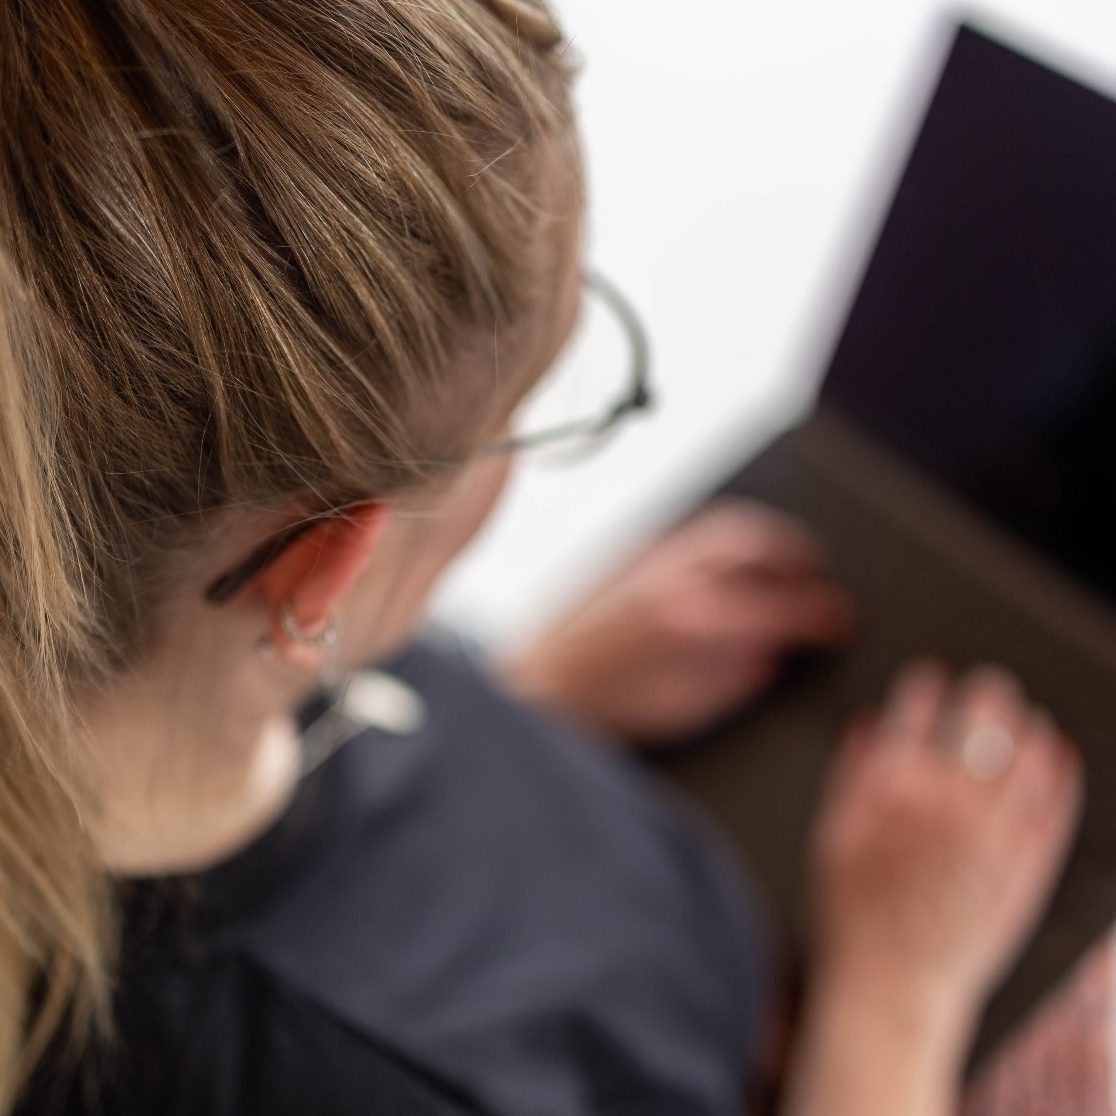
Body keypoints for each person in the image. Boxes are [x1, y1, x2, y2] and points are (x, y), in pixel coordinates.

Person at [0, 1, 1082, 1114]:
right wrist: (895, 1011)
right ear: (320, 566)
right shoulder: (365, 1080)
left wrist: (521, 697)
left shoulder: (162, 672)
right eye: (518, 418)